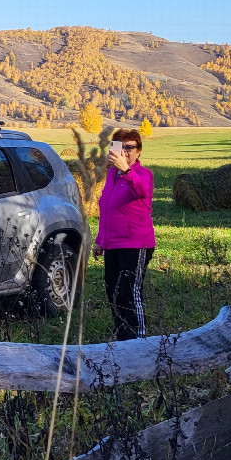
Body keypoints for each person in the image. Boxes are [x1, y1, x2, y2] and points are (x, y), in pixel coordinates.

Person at [94, 128, 155, 340]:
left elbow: (142, 191)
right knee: (114, 292)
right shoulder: (112, 175)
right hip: (112, 245)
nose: (125, 153)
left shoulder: (143, 174)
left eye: (130, 148)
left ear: (138, 152)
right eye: (120, 147)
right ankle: (122, 336)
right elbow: (106, 208)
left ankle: (139, 340)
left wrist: (127, 172)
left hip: (136, 244)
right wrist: (100, 240)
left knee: (130, 293)